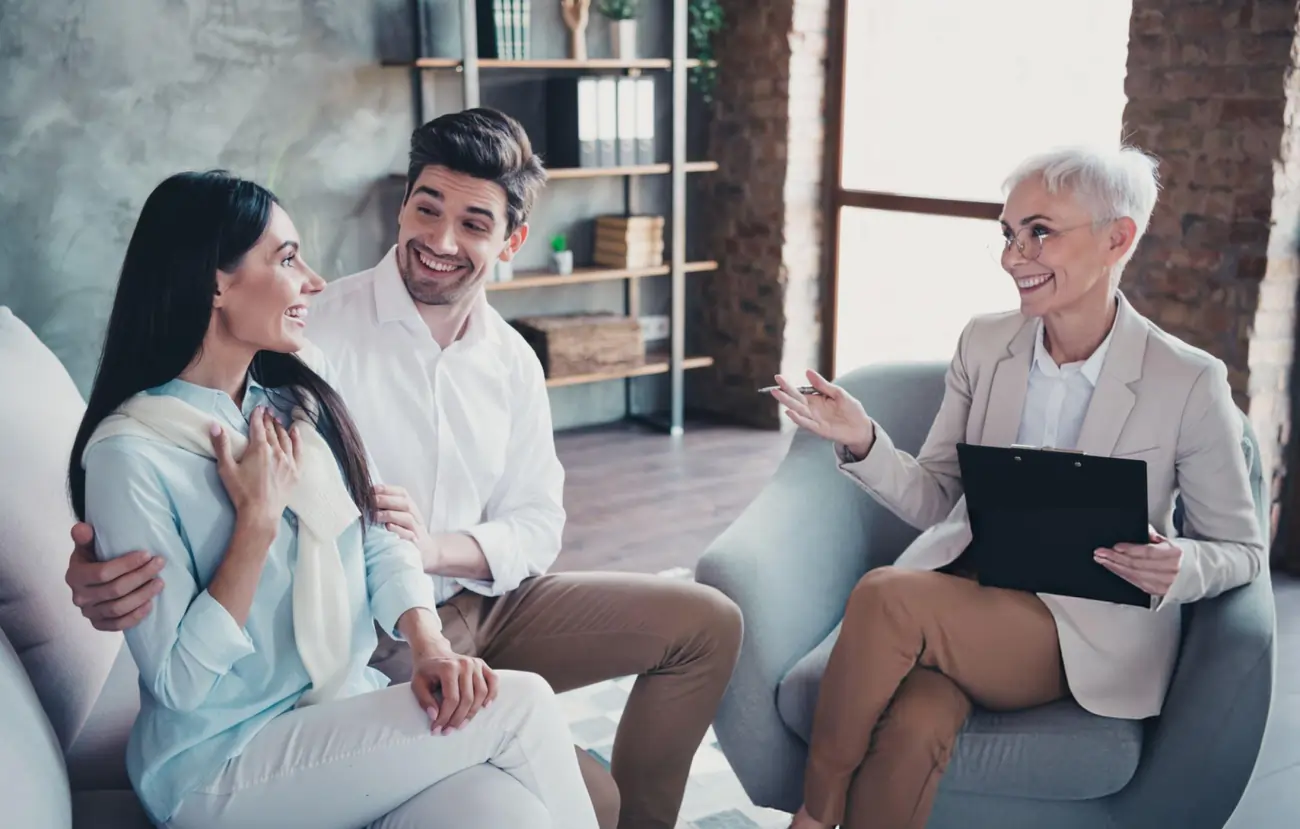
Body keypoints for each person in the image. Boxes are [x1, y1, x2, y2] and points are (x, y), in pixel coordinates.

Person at [64, 108, 743, 829]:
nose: (311, 280)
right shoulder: (275, 361)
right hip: (242, 741)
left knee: (515, 808)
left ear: (510, 241)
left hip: (428, 624)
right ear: (215, 284)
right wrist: (253, 525)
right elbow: (179, 677)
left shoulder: (296, 388)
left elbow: (481, 524)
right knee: (534, 728)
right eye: (288, 259)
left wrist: (430, 625)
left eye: (475, 223)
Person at [769, 145, 1264, 829]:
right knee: (916, 722)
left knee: (886, 595)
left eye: (1040, 232)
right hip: (965, 594)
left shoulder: (1188, 379)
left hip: (1076, 630)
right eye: (1008, 233)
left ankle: (813, 815)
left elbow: (1241, 547)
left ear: (1118, 237)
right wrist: (863, 439)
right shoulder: (985, 344)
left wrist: (1181, 564)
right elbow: (939, 496)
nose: (1012, 256)